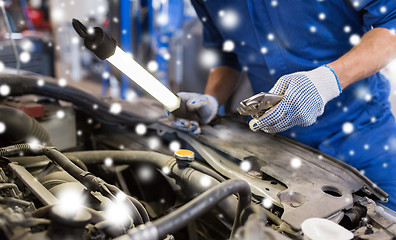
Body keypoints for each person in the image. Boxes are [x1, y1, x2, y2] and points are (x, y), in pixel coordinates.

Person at [171, 0, 396, 210]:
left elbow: (391, 23)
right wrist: (211, 99)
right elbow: (226, 54)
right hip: (280, 147)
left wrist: (326, 81)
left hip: (363, 135)